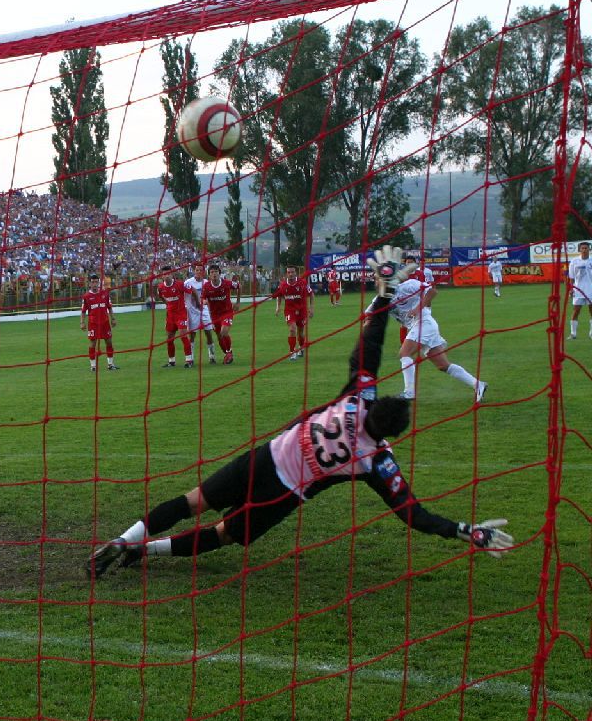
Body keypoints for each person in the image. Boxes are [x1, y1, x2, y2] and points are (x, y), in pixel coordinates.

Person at [86, 246, 514, 579]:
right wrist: (465, 531)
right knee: (222, 534)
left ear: (376, 402)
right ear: (390, 438)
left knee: (192, 500)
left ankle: (125, 539)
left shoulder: (357, 396)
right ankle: (145, 552)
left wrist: (385, 288)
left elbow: (372, 340)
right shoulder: (377, 460)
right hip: (283, 495)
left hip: (266, 457)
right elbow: (413, 514)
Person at [390, 273, 486, 402]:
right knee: (443, 365)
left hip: (424, 323)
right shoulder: (380, 300)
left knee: (404, 354)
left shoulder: (408, 285)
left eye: (379, 280)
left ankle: (409, 392)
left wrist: (417, 309)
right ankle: (478, 384)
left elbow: (432, 291)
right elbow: (369, 316)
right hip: (419, 327)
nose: (377, 283)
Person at [153, 267, 192, 368]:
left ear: (172, 274)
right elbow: (161, 297)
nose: (166, 276)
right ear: (162, 276)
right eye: (164, 274)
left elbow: (193, 291)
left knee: (183, 336)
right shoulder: (160, 287)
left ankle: (189, 360)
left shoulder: (180, 284)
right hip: (170, 316)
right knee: (169, 338)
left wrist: (197, 303)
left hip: (181, 314)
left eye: (168, 274)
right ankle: (171, 361)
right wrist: (167, 304)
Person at [202, 264, 241, 365]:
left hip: (227, 312)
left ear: (219, 273)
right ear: (209, 275)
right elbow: (203, 297)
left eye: (216, 272)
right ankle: (227, 353)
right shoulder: (206, 286)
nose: (214, 274)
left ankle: (229, 353)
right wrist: (204, 301)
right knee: (219, 335)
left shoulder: (227, 283)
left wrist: (238, 302)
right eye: (212, 272)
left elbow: (238, 286)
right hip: (214, 315)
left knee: (224, 332)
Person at [273, 265, 313, 360]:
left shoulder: (302, 283)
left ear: (296, 273)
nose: (291, 274)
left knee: (300, 332)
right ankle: (292, 352)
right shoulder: (282, 285)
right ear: (286, 274)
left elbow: (311, 294)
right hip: (289, 311)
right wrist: (278, 307)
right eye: (289, 272)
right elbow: (278, 295)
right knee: (292, 329)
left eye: (292, 272)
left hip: (302, 310)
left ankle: (301, 347)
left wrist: (311, 308)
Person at [80, 274, 118, 371]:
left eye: (96, 282)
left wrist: (113, 318)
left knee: (109, 342)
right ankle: (93, 366)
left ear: (99, 283)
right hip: (93, 323)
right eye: (92, 282)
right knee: (93, 343)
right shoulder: (86, 296)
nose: (94, 284)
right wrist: (82, 322)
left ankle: (110, 364)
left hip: (105, 322)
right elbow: (83, 311)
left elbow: (109, 307)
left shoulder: (105, 293)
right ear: (89, 284)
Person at [183, 264, 218, 364]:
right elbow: (184, 296)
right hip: (192, 311)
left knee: (208, 333)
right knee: (192, 334)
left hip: (204, 310)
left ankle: (212, 356)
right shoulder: (188, 282)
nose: (199, 272)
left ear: (203, 272)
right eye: (197, 270)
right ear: (194, 271)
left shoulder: (207, 282)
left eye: (201, 270)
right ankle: (191, 358)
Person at [568, 241, 592, 340]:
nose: (584, 250)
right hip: (578, 289)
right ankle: (573, 334)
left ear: (589, 249)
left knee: (591, 310)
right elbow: (571, 277)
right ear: (579, 249)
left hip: (590, 289)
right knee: (576, 311)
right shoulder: (574, 261)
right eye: (582, 248)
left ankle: (591, 333)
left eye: (586, 248)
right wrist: (571, 289)